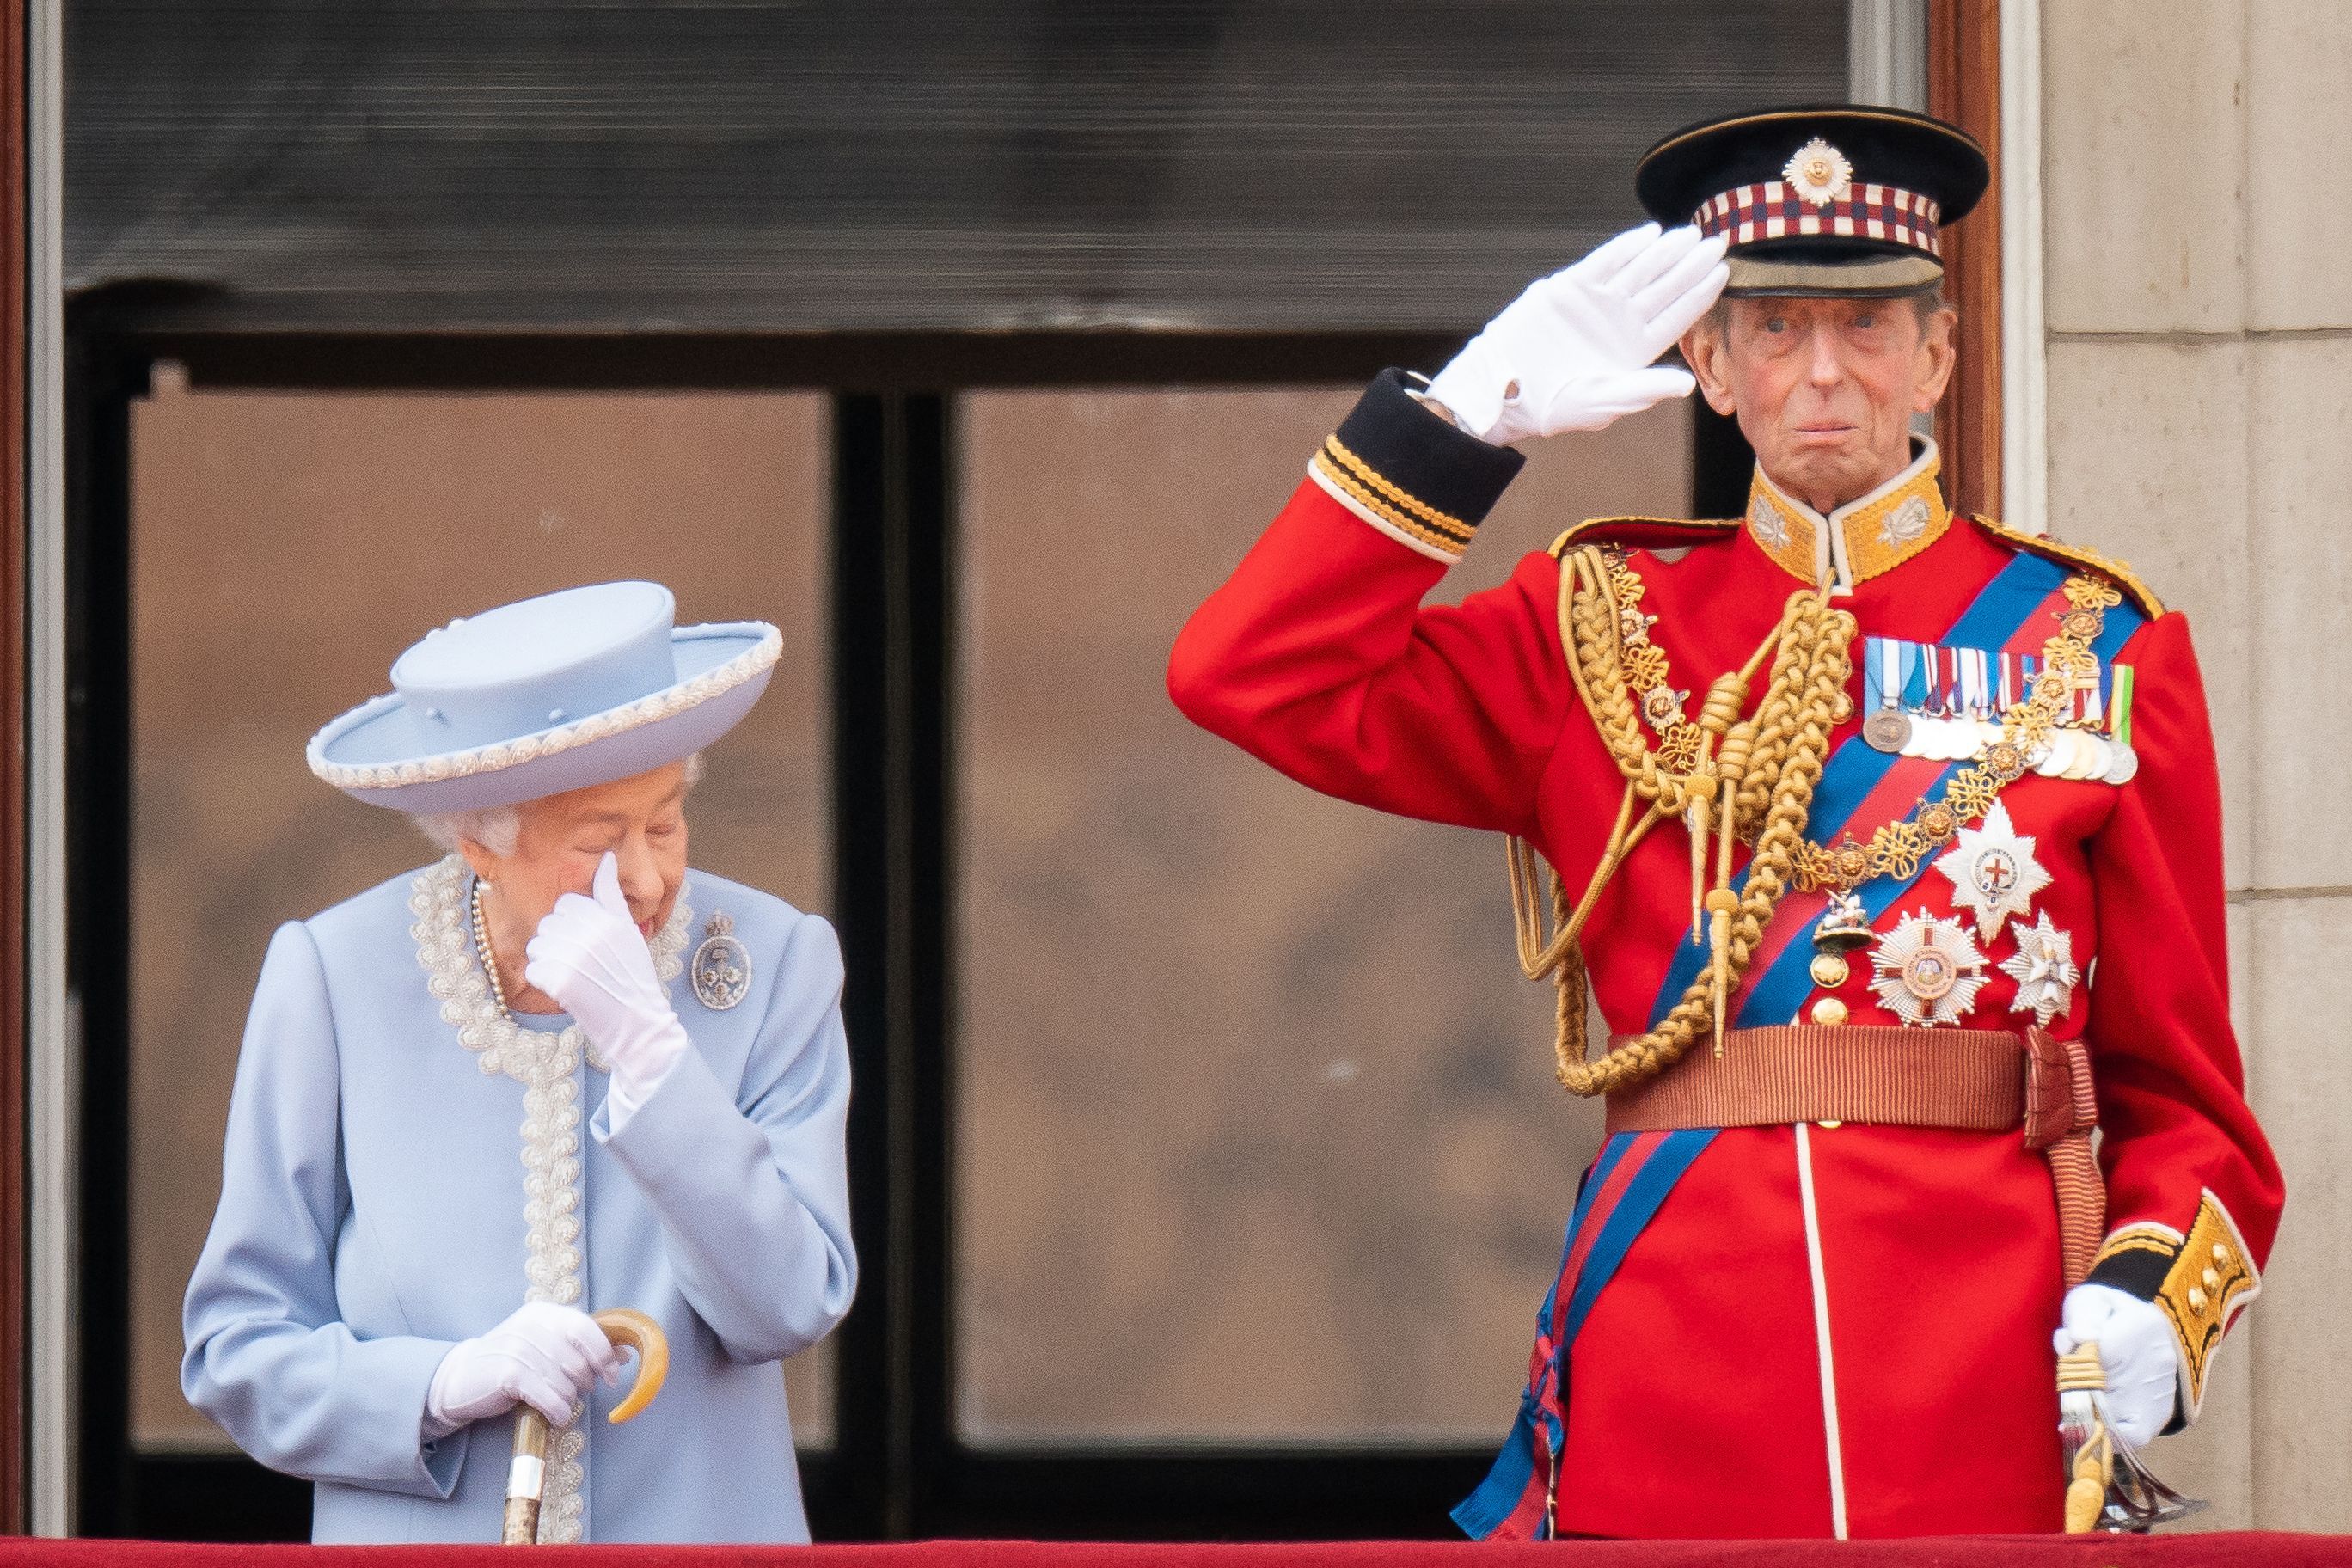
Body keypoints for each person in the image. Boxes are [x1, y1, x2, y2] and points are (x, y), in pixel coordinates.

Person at [1168, 106, 2282, 1540]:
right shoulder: (1594, 627)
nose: (1824, 368)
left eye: (1868, 326)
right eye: (1774, 328)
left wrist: (2149, 1298)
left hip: (1986, 1368)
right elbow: (1246, 673)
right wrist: (1456, 424)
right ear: (1706, 362)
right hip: (1675, 1359)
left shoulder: (2098, 649)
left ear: (1936, 355)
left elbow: (2188, 1100)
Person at [183, 580, 855, 1543]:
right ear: (480, 844)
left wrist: (655, 1061)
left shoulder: (771, 964)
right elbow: (235, 1350)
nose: (651, 877)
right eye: (599, 843)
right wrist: (441, 1384)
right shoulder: (334, 978)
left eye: (665, 822)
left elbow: (789, 1305)